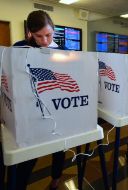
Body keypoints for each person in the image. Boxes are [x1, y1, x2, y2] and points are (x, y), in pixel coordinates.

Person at [12, 10, 66, 190]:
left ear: (54, 30)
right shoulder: (19, 48)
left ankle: (56, 180)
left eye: (48, 35)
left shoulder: (64, 52)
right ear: (29, 33)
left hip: (57, 108)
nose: (44, 41)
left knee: (59, 147)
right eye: (38, 36)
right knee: (28, 156)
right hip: (28, 109)